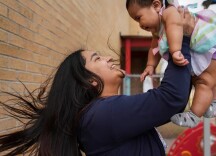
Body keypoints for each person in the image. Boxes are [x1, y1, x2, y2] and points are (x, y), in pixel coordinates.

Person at [0, 8, 194, 156]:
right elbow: (171, 98)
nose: (108, 58)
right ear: (90, 81)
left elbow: (174, 97)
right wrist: (182, 37)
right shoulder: (101, 114)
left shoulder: (99, 114)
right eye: (97, 58)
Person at [126, 0, 216, 128]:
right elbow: (153, 48)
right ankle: (215, 103)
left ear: (156, 5)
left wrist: (175, 50)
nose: (140, 24)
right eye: (136, 21)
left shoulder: (169, 12)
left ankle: (194, 115)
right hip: (207, 55)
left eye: (139, 18)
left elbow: (176, 26)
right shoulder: (157, 30)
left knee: (203, 82)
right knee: (200, 81)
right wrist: (150, 65)